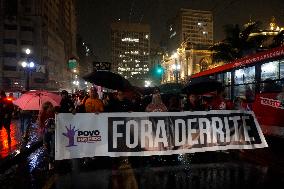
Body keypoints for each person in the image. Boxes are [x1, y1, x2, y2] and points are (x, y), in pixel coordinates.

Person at [38, 101, 55, 170]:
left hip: (53, 132)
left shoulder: (54, 113)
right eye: (50, 107)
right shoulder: (42, 114)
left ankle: (51, 161)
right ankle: (50, 156)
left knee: (53, 146)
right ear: (46, 108)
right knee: (47, 146)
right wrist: (46, 130)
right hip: (46, 133)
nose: (51, 108)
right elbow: (40, 125)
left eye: (51, 107)